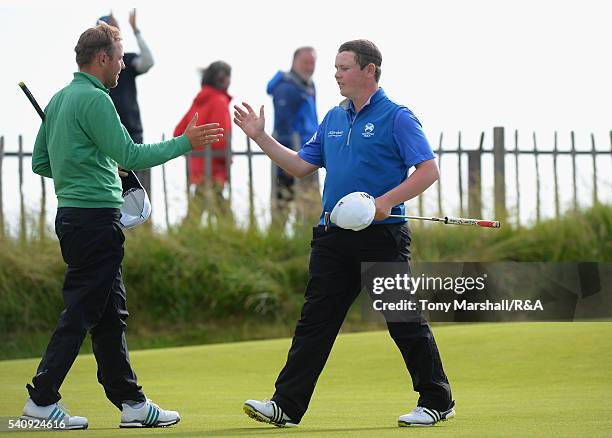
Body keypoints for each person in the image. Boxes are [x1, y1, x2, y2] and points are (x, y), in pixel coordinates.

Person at [234, 39, 454, 428]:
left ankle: (437, 400)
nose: (335, 74)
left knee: (403, 321)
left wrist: (385, 202)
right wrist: (260, 137)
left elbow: (427, 171)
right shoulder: (333, 118)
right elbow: (301, 166)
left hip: (382, 235)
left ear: (369, 70)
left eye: (344, 67)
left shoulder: (398, 117)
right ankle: (285, 405)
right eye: (335, 68)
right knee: (315, 322)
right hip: (332, 238)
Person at [21, 22, 222, 430]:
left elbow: (41, 162)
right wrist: (186, 142)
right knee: (80, 312)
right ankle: (41, 401)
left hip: (74, 218)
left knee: (110, 314)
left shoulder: (61, 99)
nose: (122, 66)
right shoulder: (95, 100)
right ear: (102, 59)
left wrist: (83, 164)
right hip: (96, 220)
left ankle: (131, 402)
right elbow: (130, 153)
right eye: (119, 57)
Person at [99, 10, 154, 195]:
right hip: (104, 135)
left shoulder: (127, 60)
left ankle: (137, 224)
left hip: (131, 132)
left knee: (133, 190)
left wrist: (136, 30)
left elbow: (148, 61)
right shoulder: (93, 67)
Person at [174, 61, 232, 222]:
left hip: (197, 168)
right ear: (224, 79)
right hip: (214, 169)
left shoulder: (198, 102)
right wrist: (227, 159)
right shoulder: (219, 101)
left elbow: (178, 133)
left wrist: (194, 150)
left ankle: (184, 242)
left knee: (196, 213)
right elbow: (220, 142)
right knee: (225, 219)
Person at [267, 47, 318, 217]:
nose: (310, 67)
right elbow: (283, 125)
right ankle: (277, 242)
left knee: (310, 207)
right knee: (283, 208)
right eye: (305, 62)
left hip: (309, 154)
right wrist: (288, 161)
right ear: (294, 62)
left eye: (312, 63)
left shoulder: (309, 85)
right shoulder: (286, 88)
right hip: (291, 155)